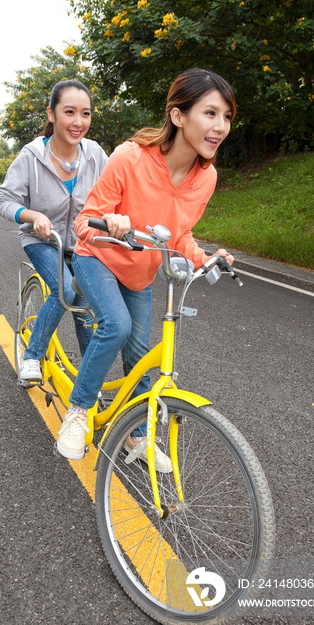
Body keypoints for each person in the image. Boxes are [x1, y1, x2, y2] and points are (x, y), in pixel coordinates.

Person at [56, 68, 236, 464]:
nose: (220, 126)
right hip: (96, 259)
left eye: (226, 117)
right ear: (177, 115)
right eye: (210, 113)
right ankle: (78, 412)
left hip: (139, 273)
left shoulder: (206, 178)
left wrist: (205, 257)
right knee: (116, 327)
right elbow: (84, 223)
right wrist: (114, 223)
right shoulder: (130, 157)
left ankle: (136, 436)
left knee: (139, 355)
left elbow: (179, 234)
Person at [0, 80, 108, 381]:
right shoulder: (31, 157)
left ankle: (88, 379)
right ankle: (31, 356)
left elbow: (115, 192)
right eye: (69, 112)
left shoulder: (95, 155)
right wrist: (32, 215)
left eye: (85, 114)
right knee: (65, 289)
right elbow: (4, 200)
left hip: (83, 244)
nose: (78, 122)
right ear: (51, 114)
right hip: (43, 241)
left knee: (84, 304)